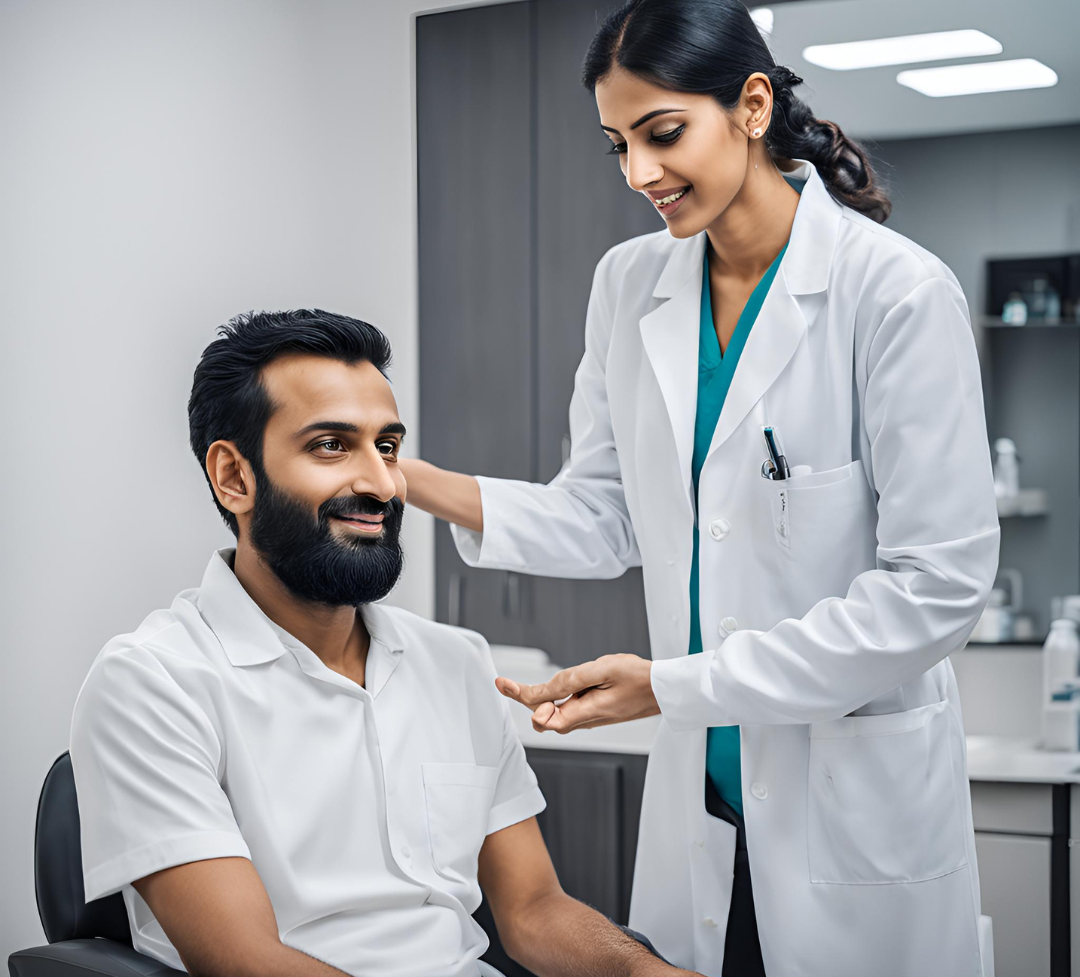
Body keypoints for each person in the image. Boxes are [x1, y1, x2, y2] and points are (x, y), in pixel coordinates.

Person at [398, 2, 1000, 975]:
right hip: (705, 815)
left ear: (752, 105)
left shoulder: (894, 295)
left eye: (663, 132)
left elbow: (935, 588)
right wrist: (411, 479)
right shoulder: (629, 285)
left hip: (853, 813)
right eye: (618, 145)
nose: (640, 174)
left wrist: (673, 685)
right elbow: (603, 517)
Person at [69, 310, 697, 977]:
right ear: (233, 475)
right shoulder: (153, 680)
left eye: (388, 446)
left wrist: (642, 971)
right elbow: (245, 961)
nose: (382, 484)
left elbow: (534, 909)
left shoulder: (455, 663)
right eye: (332, 446)